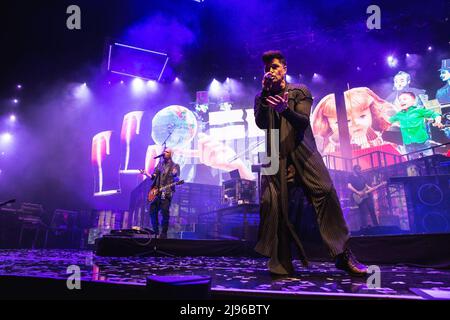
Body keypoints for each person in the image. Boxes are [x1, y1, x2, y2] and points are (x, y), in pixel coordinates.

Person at [254, 50, 367, 276]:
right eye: (267, 68)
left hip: (302, 149)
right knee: (273, 204)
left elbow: (303, 122)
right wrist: (267, 97)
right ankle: (280, 261)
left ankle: (342, 254)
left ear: (284, 68)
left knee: (325, 190)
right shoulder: (261, 97)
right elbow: (260, 123)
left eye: (275, 66)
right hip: (274, 154)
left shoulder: (299, 91)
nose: (271, 71)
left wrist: (284, 110)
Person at [311, 87, 395, 155]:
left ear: (372, 113)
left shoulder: (381, 137)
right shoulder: (329, 145)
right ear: (327, 124)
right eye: (346, 121)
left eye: (362, 116)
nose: (355, 124)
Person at [388, 92, 443, 157]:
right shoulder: (399, 114)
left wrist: (438, 120)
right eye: (400, 100)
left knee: (429, 159)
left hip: (422, 142)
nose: (401, 101)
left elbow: (434, 114)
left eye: (404, 99)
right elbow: (388, 121)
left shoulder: (419, 110)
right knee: (413, 164)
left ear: (413, 101)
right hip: (408, 144)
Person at [141, 148, 180, 239]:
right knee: (152, 210)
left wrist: (175, 176)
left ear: (170, 154)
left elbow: (177, 179)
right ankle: (156, 232)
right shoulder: (159, 165)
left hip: (166, 192)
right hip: (157, 193)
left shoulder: (175, 166)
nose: (164, 153)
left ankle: (163, 233)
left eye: (167, 152)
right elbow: (153, 177)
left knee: (164, 212)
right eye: (164, 151)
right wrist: (146, 174)